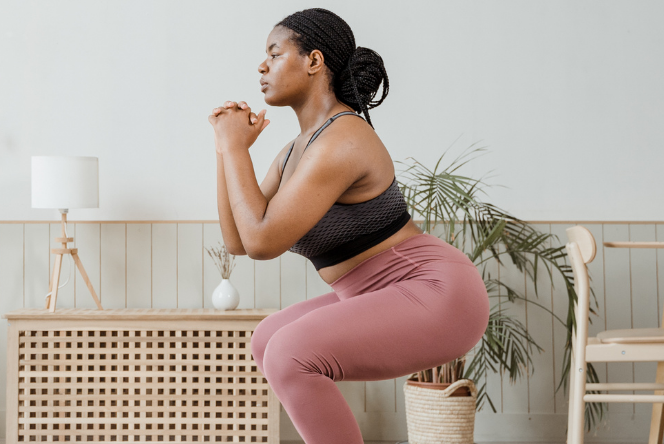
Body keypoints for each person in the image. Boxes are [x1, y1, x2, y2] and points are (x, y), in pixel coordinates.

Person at [208, 8, 489, 444]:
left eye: (275, 53)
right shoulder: (293, 152)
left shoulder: (343, 138)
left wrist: (234, 147)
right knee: (268, 340)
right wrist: (227, 151)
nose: (261, 66)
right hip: (373, 291)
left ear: (314, 61)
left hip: (436, 291)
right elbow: (238, 241)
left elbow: (262, 242)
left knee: (289, 353)